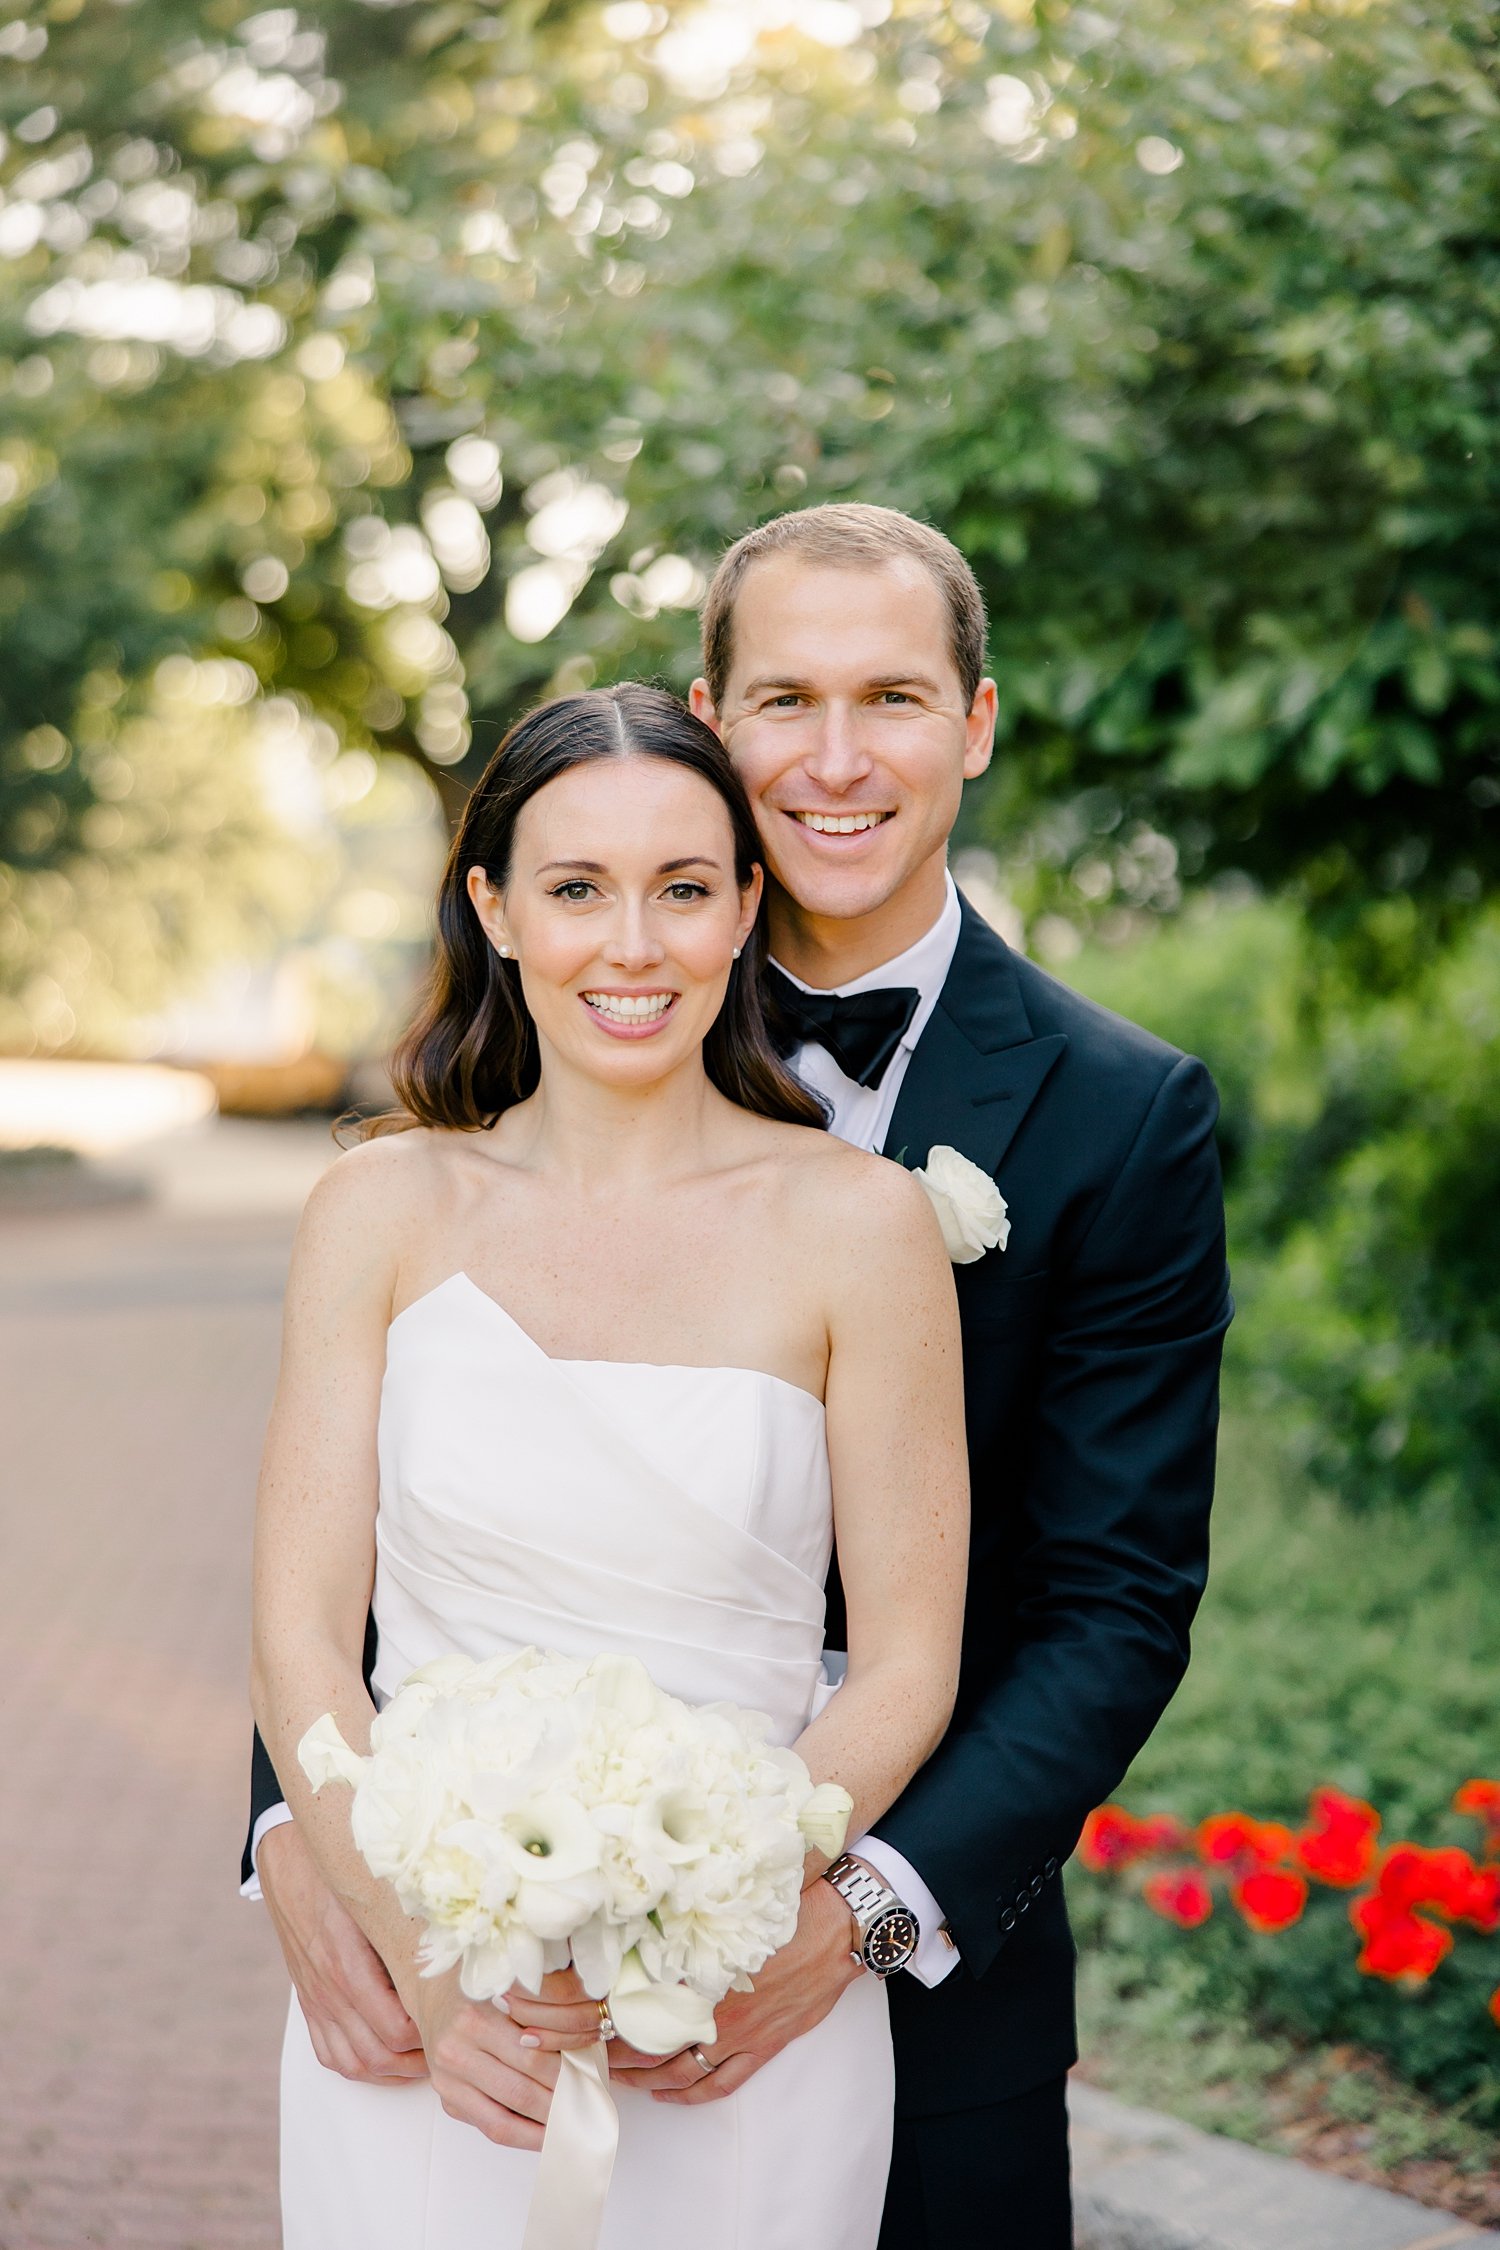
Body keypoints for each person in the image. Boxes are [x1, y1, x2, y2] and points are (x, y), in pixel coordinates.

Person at [246, 501, 1231, 2246]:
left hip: (894, 1971)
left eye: (896, 699)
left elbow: (1113, 1601)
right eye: (784, 699)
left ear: (975, 722)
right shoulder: (404, 1190)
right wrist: (324, 1854)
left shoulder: (1116, 1116)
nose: (837, 756)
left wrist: (818, 1908)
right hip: (446, 1972)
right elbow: (342, 1577)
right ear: (710, 719)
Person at [250, 681, 969, 2249]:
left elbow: (911, 1660)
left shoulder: (865, 1225)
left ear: (745, 910)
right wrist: (422, 1959)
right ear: (495, 908)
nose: (631, 944)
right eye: (576, 887)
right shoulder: (378, 1210)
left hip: (733, 2026)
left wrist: (713, 1912)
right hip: (434, 2008)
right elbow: (303, 1631)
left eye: (684, 888)